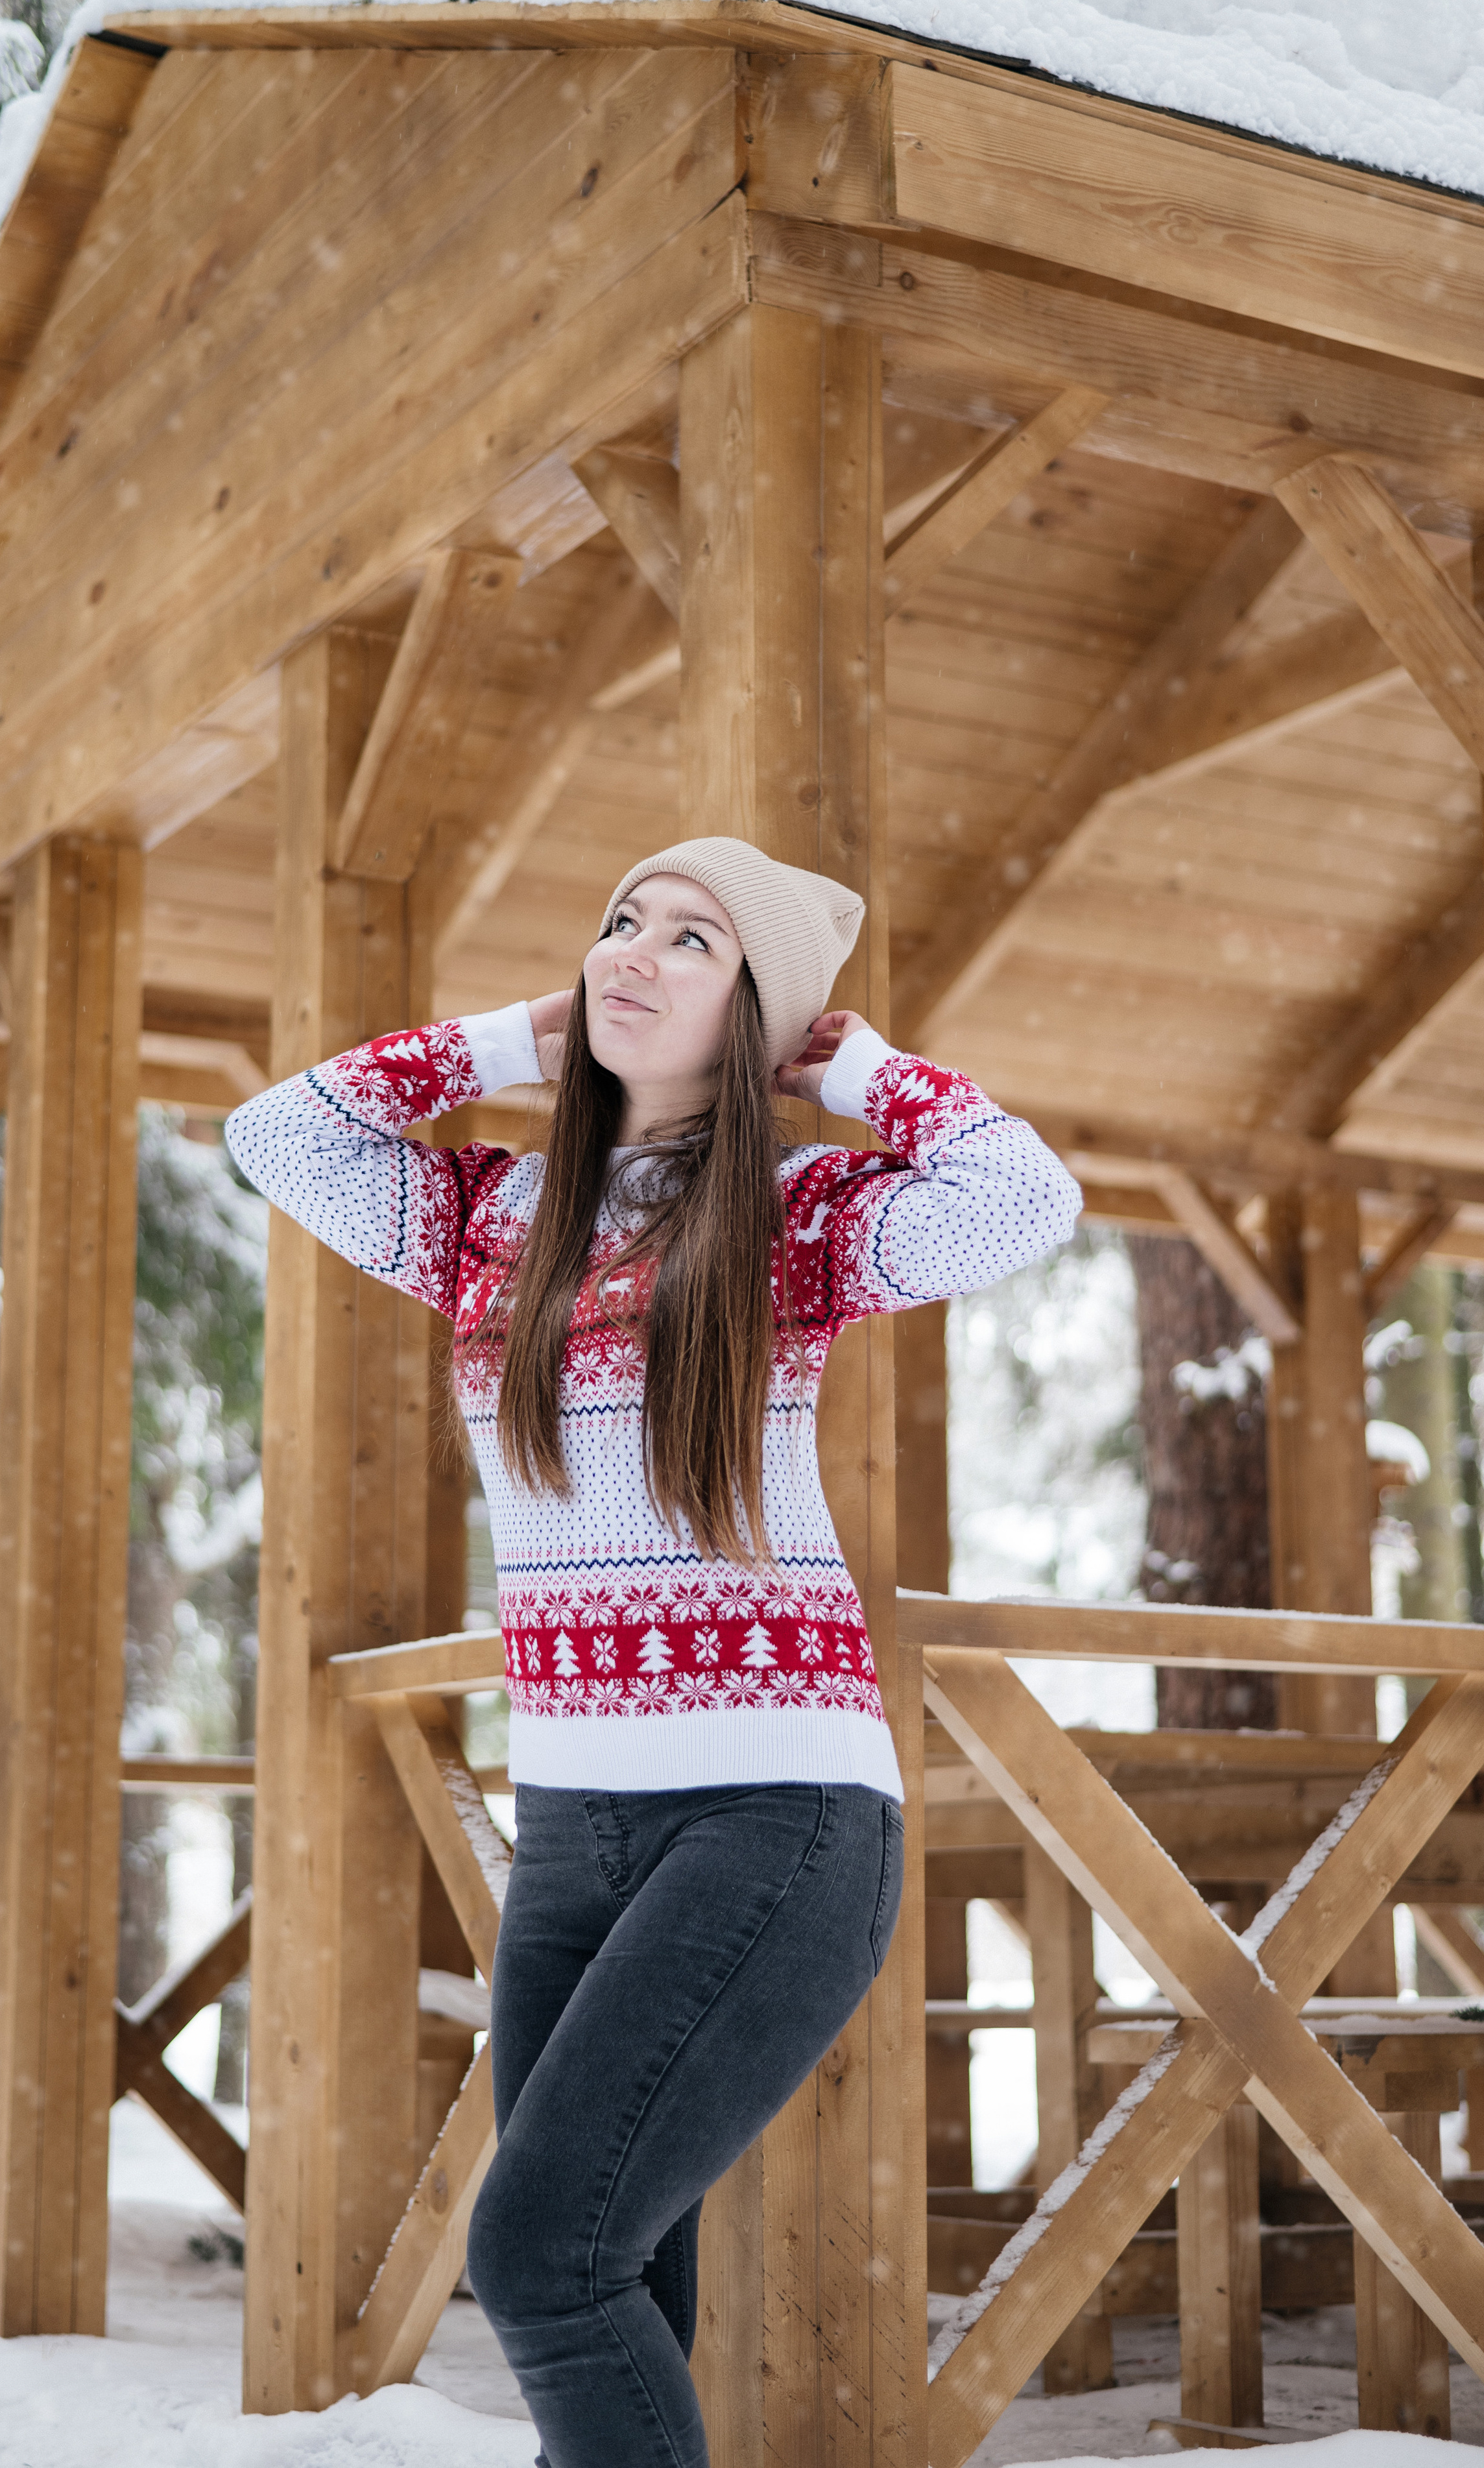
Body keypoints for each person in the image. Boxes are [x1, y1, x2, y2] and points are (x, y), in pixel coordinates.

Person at [226, 834, 1081, 2468]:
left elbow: (1022, 1200)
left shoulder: (796, 1220)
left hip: (776, 1812)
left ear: (760, 1018)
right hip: (572, 1829)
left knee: (537, 2260)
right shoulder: (493, 1218)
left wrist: (864, 1068)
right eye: (620, 921)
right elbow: (278, 1135)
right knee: (611, 2288)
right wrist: (500, 1044)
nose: (631, 951)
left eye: (693, 942)